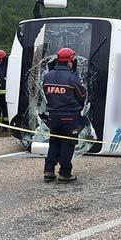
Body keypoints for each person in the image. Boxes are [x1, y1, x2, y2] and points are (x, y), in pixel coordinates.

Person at [42, 48, 87, 183]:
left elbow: (45, 94)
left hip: (53, 117)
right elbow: (82, 96)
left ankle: (49, 171)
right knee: (68, 145)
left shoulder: (48, 76)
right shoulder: (73, 78)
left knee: (54, 142)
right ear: (69, 61)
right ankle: (65, 173)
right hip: (69, 118)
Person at [0, 49, 9, 126]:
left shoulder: (9, 65)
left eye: (1, 59)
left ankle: (6, 124)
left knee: (6, 109)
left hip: (7, 91)